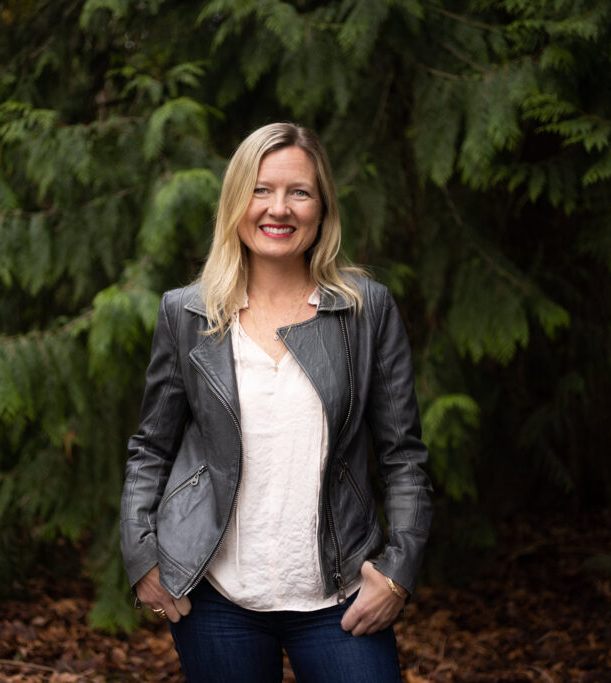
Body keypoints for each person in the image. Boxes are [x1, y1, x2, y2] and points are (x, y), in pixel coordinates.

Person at [120, 122, 433, 682]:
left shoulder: (366, 311)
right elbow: (150, 447)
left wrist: (398, 572)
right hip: (215, 599)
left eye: (299, 192)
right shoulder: (188, 313)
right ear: (237, 202)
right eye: (261, 190)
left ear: (322, 206)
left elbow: (403, 457)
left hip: (339, 598)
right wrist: (142, 558)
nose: (278, 209)